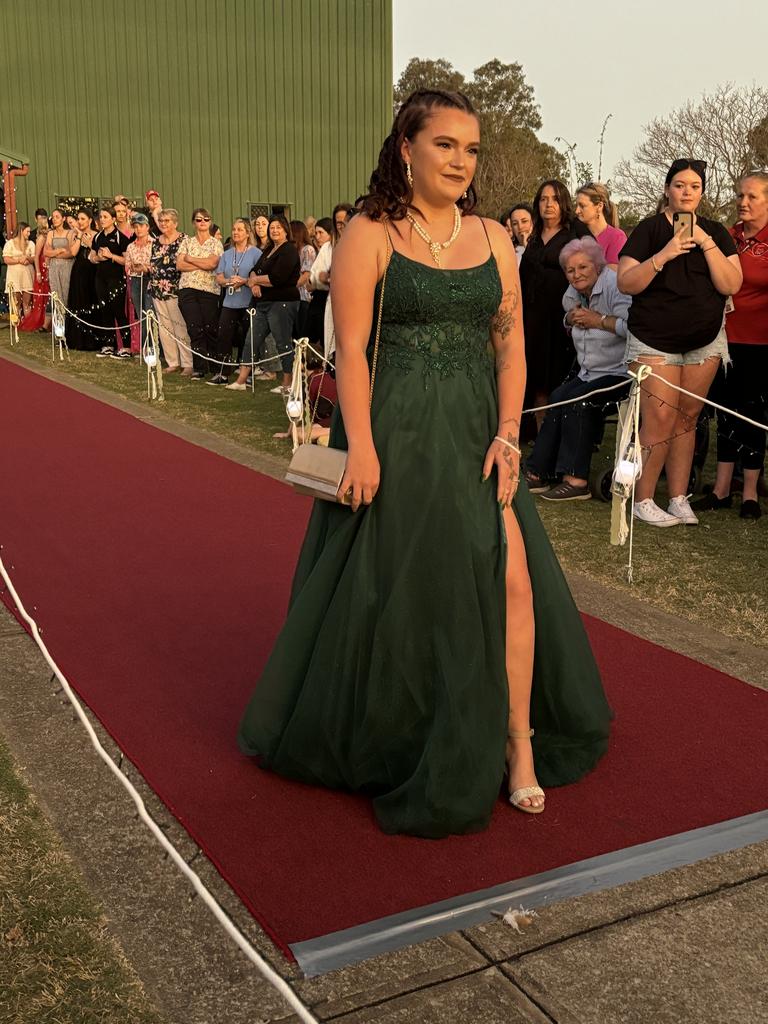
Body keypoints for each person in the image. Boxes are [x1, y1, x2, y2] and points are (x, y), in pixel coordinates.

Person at [237, 89, 611, 838]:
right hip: (396, 429)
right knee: (399, 582)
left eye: (471, 150)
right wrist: (364, 445)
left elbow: (511, 346)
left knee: (508, 577)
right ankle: (401, 729)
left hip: (477, 430)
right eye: (447, 145)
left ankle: (518, 744)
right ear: (407, 146)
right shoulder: (372, 233)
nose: (461, 161)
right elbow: (352, 350)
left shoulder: (489, 236)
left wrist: (510, 432)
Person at [617, 159, 742, 527]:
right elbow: (627, 282)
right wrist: (666, 253)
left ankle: (677, 497)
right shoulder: (648, 230)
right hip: (654, 340)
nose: (687, 192)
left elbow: (730, 284)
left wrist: (704, 243)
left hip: (704, 341)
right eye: (679, 185)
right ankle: (643, 499)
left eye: (694, 186)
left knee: (687, 419)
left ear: (702, 192)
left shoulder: (716, 232)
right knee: (659, 418)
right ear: (667, 189)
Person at [524, 237, 631, 500]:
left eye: (583, 268)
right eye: (570, 270)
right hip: (588, 370)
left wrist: (598, 320)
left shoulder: (615, 287)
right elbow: (568, 316)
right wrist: (568, 319)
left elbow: (631, 328)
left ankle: (576, 478)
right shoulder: (571, 293)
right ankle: (538, 473)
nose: (576, 274)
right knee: (557, 397)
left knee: (577, 401)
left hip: (619, 371)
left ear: (597, 266)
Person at [693, 172, 768, 520]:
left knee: (750, 414)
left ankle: (750, 492)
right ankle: (721, 488)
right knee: (724, 410)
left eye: (752, 196)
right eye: (740, 195)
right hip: (722, 338)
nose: (743, 202)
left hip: (760, 342)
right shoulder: (729, 235)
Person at [519, 180, 588, 431]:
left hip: (562, 320)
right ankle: (541, 440)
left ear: (564, 203)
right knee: (536, 381)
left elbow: (592, 270)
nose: (549, 205)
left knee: (558, 382)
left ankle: (558, 441)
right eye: (544, 199)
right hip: (531, 318)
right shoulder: (534, 236)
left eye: (555, 199)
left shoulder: (576, 232)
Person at [226, 215, 300, 393]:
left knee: (283, 342)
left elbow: (278, 278)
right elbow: (254, 270)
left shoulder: (289, 250)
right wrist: (255, 281)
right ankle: (241, 380)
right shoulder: (269, 250)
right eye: (272, 227)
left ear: (285, 230)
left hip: (282, 302)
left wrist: (255, 280)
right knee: (251, 340)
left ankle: (288, 383)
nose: (274, 230)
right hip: (263, 303)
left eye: (278, 227)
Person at [207, 217, 261, 385]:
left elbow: (258, 276)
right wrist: (229, 281)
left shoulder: (256, 253)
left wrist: (244, 281)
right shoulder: (227, 253)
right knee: (224, 335)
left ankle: (248, 373)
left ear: (247, 233)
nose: (235, 233)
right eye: (234, 229)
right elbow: (219, 277)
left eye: (239, 230)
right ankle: (223, 373)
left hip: (248, 301)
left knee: (248, 337)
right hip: (229, 302)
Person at [176, 208, 224, 379]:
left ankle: (214, 365)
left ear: (210, 222)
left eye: (205, 219)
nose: (202, 222)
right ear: (193, 223)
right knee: (194, 328)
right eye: (198, 219)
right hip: (188, 289)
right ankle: (199, 367)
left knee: (210, 327)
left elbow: (213, 264)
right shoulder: (187, 242)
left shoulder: (215, 243)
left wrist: (191, 259)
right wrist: (201, 263)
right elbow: (180, 265)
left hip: (209, 290)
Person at [148, 208, 192, 374]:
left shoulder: (184, 240)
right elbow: (154, 263)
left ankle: (187, 362)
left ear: (175, 223)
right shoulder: (156, 241)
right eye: (161, 221)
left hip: (175, 289)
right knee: (164, 328)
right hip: (157, 289)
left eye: (167, 221)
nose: (163, 224)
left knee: (180, 326)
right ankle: (172, 362)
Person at [89, 205, 131, 358]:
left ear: (113, 219)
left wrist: (111, 255)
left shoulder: (121, 238)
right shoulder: (98, 237)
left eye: (105, 217)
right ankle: (108, 345)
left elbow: (127, 261)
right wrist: (98, 258)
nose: (102, 220)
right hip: (100, 278)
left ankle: (126, 347)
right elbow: (91, 257)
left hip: (116, 279)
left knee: (118, 312)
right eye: (100, 217)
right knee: (104, 310)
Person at [66, 209, 99, 350]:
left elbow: (97, 253)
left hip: (92, 271)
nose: (80, 221)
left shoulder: (97, 235)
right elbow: (73, 252)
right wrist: (79, 237)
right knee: (78, 301)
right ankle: (77, 339)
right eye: (78, 219)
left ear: (90, 220)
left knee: (91, 301)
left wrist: (90, 242)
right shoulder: (74, 235)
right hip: (79, 272)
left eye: (83, 219)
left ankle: (92, 339)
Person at [574, 182, 627, 269]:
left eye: (582, 206)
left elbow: (610, 277)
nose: (577, 211)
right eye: (576, 205)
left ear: (599, 206)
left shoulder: (617, 237)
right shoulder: (574, 234)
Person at [124, 213, 154, 352]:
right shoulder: (131, 246)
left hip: (150, 280)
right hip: (136, 280)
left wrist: (146, 268)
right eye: (136, 226)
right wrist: (134, 268)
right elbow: (127, 265)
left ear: (147, 227)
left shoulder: (154, 243)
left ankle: (154, 347)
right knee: (141, 314)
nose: (138, 229)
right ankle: (145, 348)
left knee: (150, 312)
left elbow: (157, 264)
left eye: (141, 226)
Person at [306, 216, 333, 349]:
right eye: (316, 233)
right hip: (317, 300)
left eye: (321, 233)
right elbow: (310, 283)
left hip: (329, 300)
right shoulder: (322, 251)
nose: (317, 236)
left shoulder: (332, 249)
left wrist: (320, 280)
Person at [44, 208, 75, 308]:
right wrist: (58, 250)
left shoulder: (70, 233)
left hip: (67, 267)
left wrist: (53, 253)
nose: (54, 219)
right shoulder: (50, 233)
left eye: (57, 217)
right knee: (56, 295)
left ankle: (68, 321)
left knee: (67, 293)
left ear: (63, 218)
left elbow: (71, 253)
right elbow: (46, 252)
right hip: (54, 268)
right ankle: (58, 321)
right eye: (53, 217)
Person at [291, 219, 316, 341]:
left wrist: (291, 287)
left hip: (304, 296)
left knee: (302, 332)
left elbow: (306, 274)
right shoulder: (294, 250)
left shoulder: (307, 249)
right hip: (295, 296)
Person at [3, 222, 35, 318]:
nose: (29, 234)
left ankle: (28, 323)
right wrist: (18, 260)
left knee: (27, 302)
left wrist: (27, 258)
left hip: (27, 275)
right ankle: (15, 323)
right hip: (14, 275)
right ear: (21, 231)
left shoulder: (30, 244)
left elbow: (33, 257)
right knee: (15, 302)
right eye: (27, 231)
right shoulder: (10, 243)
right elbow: (6, 259)